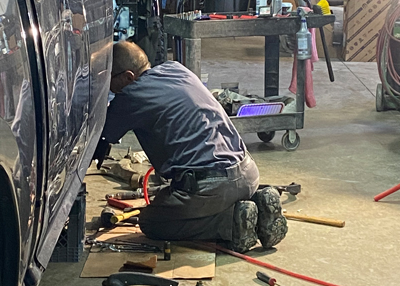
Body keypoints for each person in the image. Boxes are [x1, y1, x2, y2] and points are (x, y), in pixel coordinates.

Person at [93, 41, 287, 252]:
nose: (107, 86)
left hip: (212, 185)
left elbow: (101, 134)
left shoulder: (130, 97)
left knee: (151, 222)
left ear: (128, 76)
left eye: (108, 79)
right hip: (247, 170)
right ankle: (257, 202)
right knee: (174, 196)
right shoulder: (176, 68)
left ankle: (230, 225)